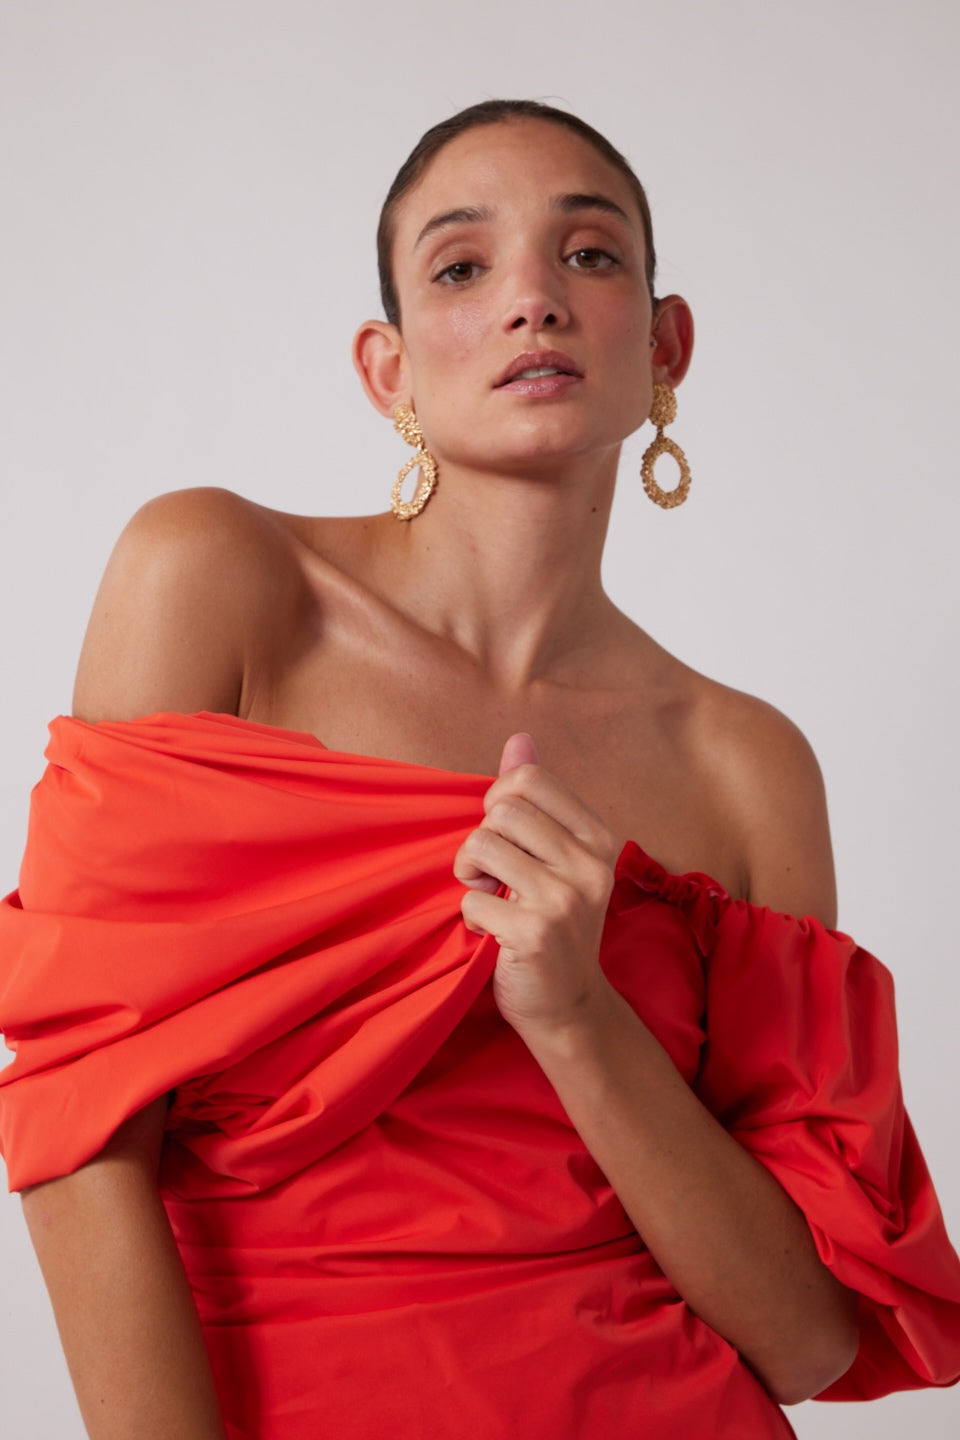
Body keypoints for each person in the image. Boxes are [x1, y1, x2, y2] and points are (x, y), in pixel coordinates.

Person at [1, 99, 959, 1440]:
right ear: (385, 370)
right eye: (464, 267)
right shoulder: (217, 581)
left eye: (590, 256)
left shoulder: (746, 767)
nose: (533, 301)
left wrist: (577, 1017)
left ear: (665, 346)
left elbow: (803, 1337)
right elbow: (77, 1133)